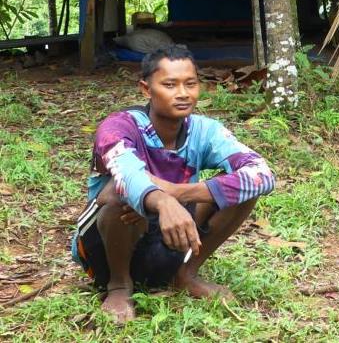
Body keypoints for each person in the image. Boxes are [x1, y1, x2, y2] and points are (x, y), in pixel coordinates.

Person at [71, 44, 275, 323]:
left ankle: (185, 274)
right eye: (169, 84)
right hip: (103, 250)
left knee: (243, 191)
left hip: (170, 240)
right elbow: (126, 175)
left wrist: (178, 193)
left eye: (190, 84)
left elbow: (262, 174)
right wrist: (163, 200)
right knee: (119, 195)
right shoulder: (119, 127)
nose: (182, 93)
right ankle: (119, 286)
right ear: (146, 89)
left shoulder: (205, 131)